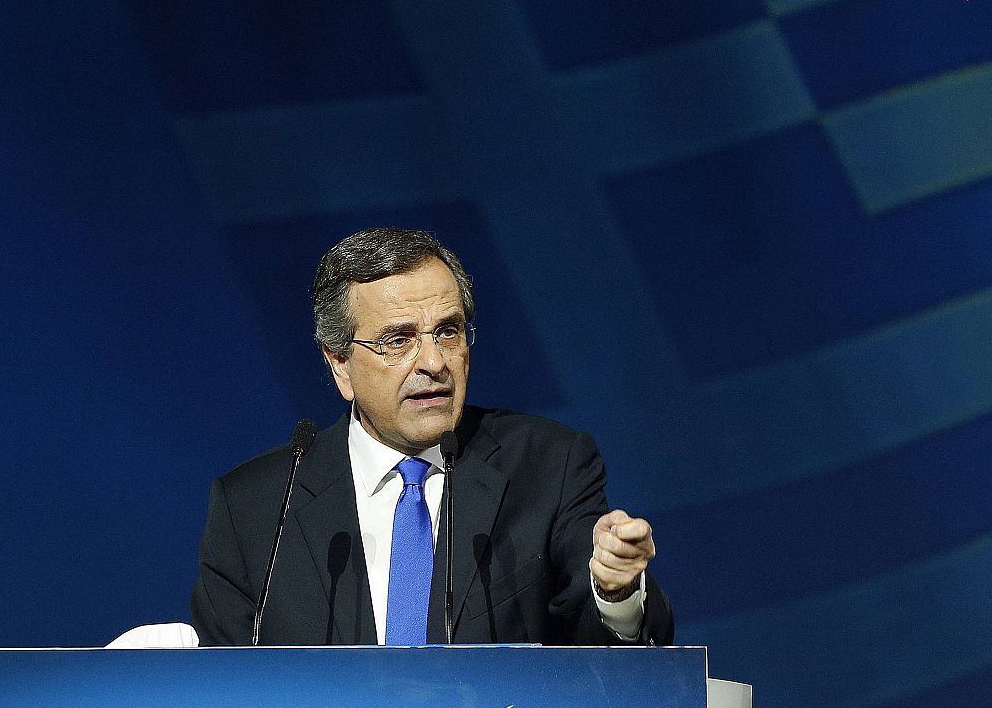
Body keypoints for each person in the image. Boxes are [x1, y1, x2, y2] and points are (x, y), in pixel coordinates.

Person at [190, 227, 671, 647]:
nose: (434, 363)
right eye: (398, 340)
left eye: (448, 332)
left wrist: (615, 592)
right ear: (339, 364)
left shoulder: (548, 466)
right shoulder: (255, 509)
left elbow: (603, 658)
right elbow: (224, 694)